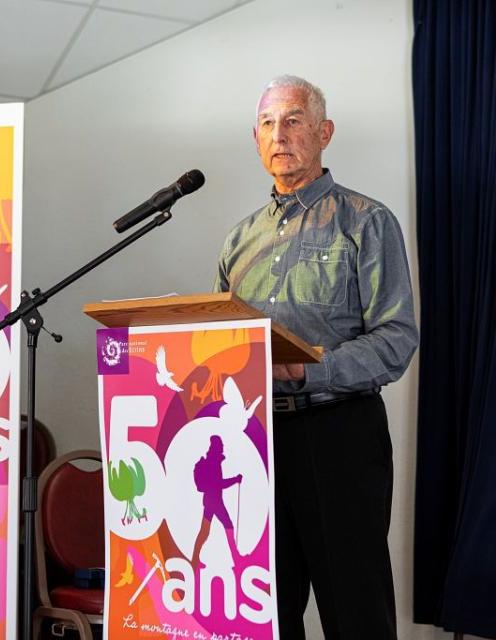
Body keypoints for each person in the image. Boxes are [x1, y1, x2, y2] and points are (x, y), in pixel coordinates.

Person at [213, 75, 418, 639]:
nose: (279, 134)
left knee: (355, 610)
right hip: (252, 444)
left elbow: (397, 337)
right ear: (255, 140)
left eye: (294, 120)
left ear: (323, 133)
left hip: (339, 438)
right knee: (263, 614)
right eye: (267, 124)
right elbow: (218, 340)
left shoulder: (366, 221)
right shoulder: (238, 242)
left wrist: (309, 368)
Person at [191, 435, 243, 568]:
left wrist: (234, 480)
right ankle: (235, 559)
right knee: (217, 528)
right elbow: (219, 484)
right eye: (221, 445)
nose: (223, 447)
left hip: (213, 501)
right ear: (217, 446)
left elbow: (217, 484)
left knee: (207, 530)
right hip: (213, 502)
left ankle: (195, 559)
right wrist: (235, 480)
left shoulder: (214, 460)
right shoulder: (213, 462)